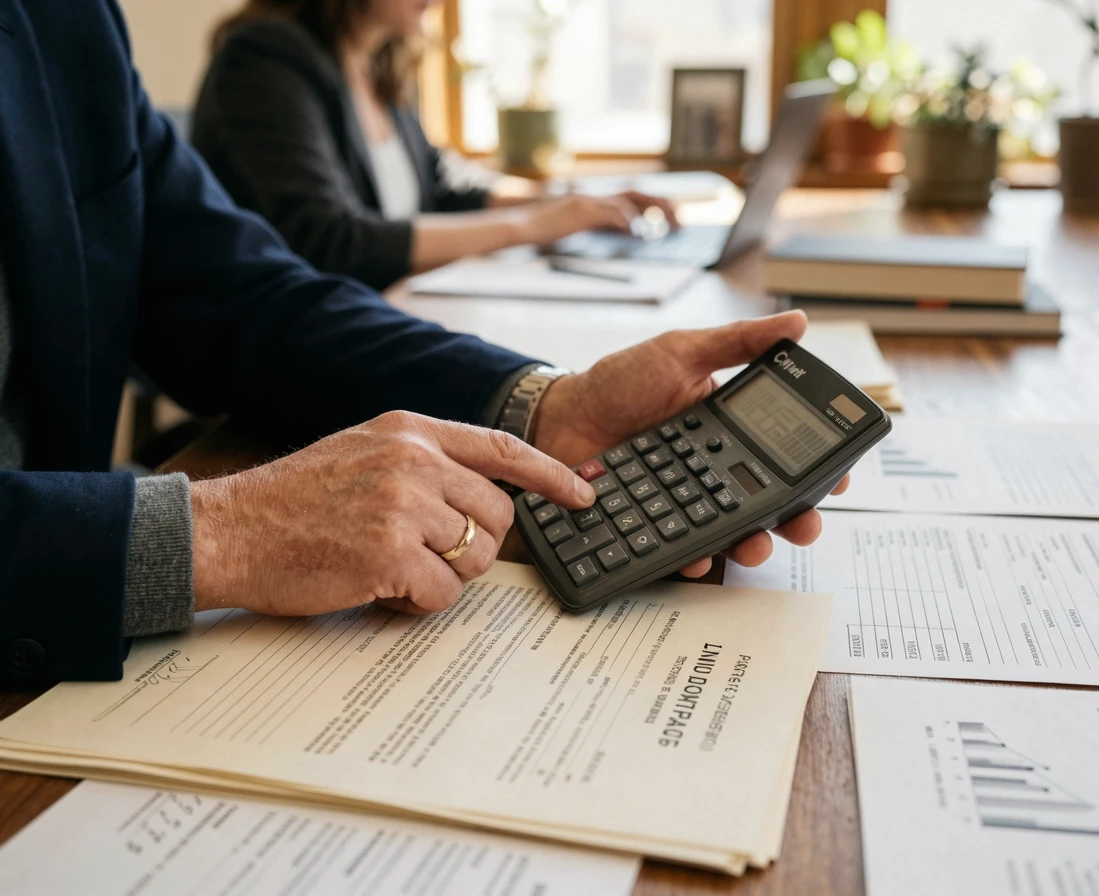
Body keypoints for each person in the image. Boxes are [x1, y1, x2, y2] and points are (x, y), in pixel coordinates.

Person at [0, 0, 844, 688]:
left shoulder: (65, 20)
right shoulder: (272, 58)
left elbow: (234, 291)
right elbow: (327, 239)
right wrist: (222, 536)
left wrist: (546, 405)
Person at [190, 0, 679, 291]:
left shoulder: (379, 68)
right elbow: (331, 241)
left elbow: (442, 192)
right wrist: (532, 224)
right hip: (288, 334)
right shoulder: (263, 59)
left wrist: (580, 204)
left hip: (388, 308)